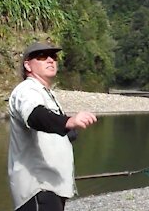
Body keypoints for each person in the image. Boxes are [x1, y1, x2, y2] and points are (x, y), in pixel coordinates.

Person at [8, 42, 98, 211]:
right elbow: (35, 116)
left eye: (53, 56)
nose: (50, 60)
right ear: (28, 65)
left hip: (52, 187)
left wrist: (69, 133)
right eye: (42, 56)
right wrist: (68, 122)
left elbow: (51, 124)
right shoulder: (26, 90)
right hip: (37, 188)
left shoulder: (45, 92)